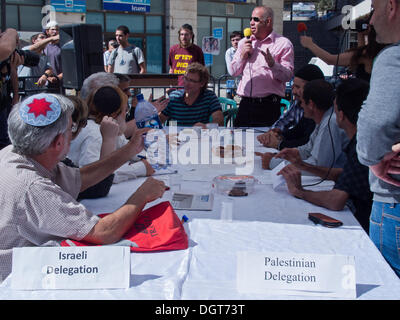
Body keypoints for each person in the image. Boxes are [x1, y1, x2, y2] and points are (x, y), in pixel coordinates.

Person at [0, 92, 165, 281]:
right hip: (14, 282)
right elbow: (104, 232)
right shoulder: (32, 187)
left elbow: (81, 177)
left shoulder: (16, 153)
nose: (75, 133)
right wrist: (142, 195)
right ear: (58, 142)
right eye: (72, 128)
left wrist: (130, 149)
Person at [278, 78, 372, 233]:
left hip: (363, 223)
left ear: (340, 115)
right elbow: (344, 174)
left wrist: (300, 191)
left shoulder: (360, 146)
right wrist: (302, 165)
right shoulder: (364, 140)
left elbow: (335, 201)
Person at [356, 0, 400, 277]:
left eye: (374, 8)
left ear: (392, 7)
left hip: (393, 202)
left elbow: (375, 124)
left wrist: (372, 160)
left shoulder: (393, 57)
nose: (370, 20)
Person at [68, 86, 154, 184]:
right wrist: (141, 168)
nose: (126, 114)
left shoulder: (112, 129)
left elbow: (131, 152)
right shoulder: (94, 134)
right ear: (114, 114)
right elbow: (94, 177)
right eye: (126, 110)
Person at [257, 79, 348, 171]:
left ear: (311, 104)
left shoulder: (330, 123)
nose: (301, 106)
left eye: (302, 102)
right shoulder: (323, 119)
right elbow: (307, 150)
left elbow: (319, 166)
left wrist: (274, 164)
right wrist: (287, 154)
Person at [230, 6, 294, 127]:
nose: (251, 22)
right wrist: (243, 55)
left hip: (268, 106)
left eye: (256, 19)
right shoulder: (244, 42)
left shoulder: (283, 44)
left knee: (265, 144)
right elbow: (233, 71)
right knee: (238, 142)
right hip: (245, 105)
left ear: (268, 21)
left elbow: (288, 76)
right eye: (250, 19)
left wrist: (273, 65)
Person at [257, 64, 324, 150]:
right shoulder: (300, 103)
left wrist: (279, 144)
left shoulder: (321, 113)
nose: (294, 91)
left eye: (298, 87)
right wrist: (276, 135)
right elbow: (297, 131)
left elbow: (307, 143)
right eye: (293, 87)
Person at [300, 25, 386, 83]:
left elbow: (331, 59)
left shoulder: (367, 54)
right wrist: (360, 33)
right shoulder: (383, 51)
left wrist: (310, 45)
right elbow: (360, 53)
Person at [159, 62, 223, 127]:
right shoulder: (174, 97)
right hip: (177, 136)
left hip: (199, 135)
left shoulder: (209, 96)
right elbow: (159, 120)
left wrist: (206, 126)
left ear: (202, 84)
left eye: (192, 81)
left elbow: (219, 121)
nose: (186, 83)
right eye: (185, 78)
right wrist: (151, 110)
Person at [0, 28, 23, 150]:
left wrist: (15, 96)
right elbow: (6, 49)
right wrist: (11, 31)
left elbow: (8, 74)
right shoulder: (4, 49)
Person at [43, 21, 62, 92]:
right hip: (44, 82)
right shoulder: (43, 46)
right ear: (47, 31)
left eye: (57, 30)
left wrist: (58, 77)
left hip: (59, 83)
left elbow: (68, 66)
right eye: (53, 29)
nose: (55, 31)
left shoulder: (63, 46)